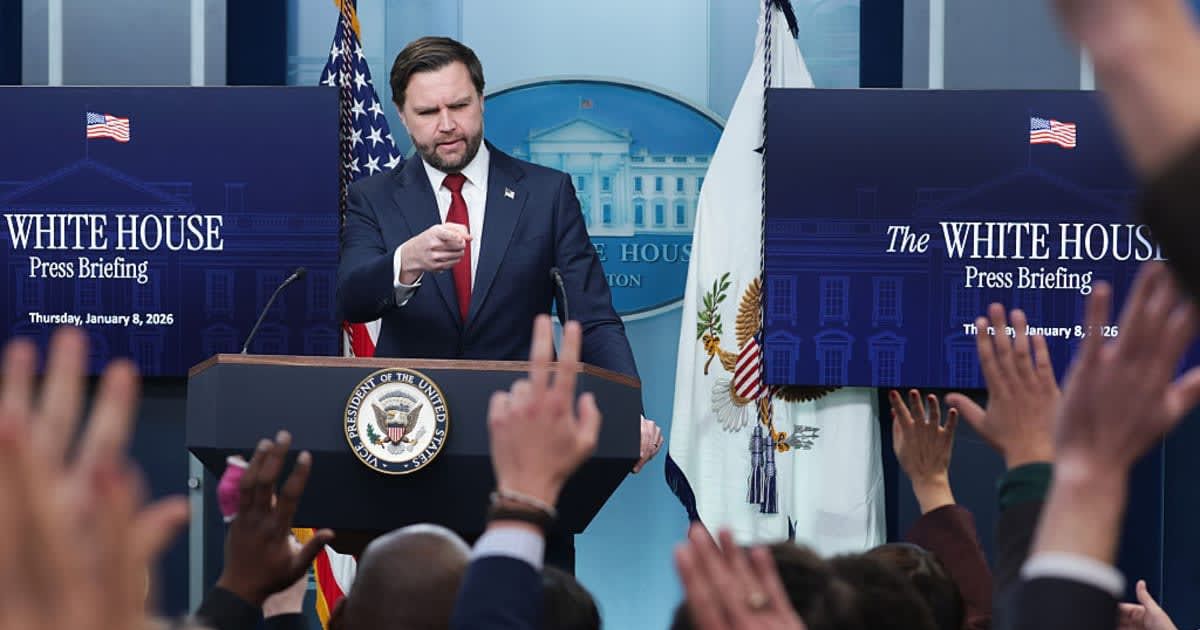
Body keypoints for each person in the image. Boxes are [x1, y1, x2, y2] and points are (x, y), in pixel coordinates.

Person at [335, 35, 662, 472]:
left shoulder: (547, 194)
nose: (447, 124)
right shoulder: (371, 197)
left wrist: (628, 415)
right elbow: (351, 297)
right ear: (402, 116)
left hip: (527, 447)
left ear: (482, 100)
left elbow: (593, 318)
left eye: (459, 106)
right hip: (410, 444)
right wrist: (406, 261)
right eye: (428, 112)